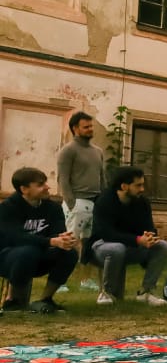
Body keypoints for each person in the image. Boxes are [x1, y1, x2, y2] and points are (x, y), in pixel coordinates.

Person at [87, 166, 167, 306]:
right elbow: (107, 234)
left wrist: (150, 237)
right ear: (124, 186)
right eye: (138, 185)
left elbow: (149, 227)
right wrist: (138, 240)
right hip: (102, 247)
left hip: (131, 246)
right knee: (117, 248)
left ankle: (146, 292)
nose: (142, 189)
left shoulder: (142, 202)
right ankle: (106, 293)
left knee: (162, 247)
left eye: (143, 184)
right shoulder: (105, 201)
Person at [0, 167, 79, 313]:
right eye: (40, 184)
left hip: (39, 255)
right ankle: (13, 301)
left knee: (69, 253)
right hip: (7, 257)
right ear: (24, 189)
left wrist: (65, 239)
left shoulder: (53, 208)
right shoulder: (7, 207)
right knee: (28, 251)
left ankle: (45, 300)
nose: (47, 187)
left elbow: (57, 233)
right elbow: (15, 237)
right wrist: (51, 242)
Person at [56, 110, 104, 291]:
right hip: (77, 201)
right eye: (86, 127)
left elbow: (102, 178)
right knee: (69, 241)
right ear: (75, 128)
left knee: (90, 243)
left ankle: (86, 280)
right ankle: (60, 281)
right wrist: (71, 203)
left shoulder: (98, 151)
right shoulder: (68, 151)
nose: (90, 129)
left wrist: (104, 200)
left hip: (96, 202)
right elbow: (63, 179)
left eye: (91, 126)